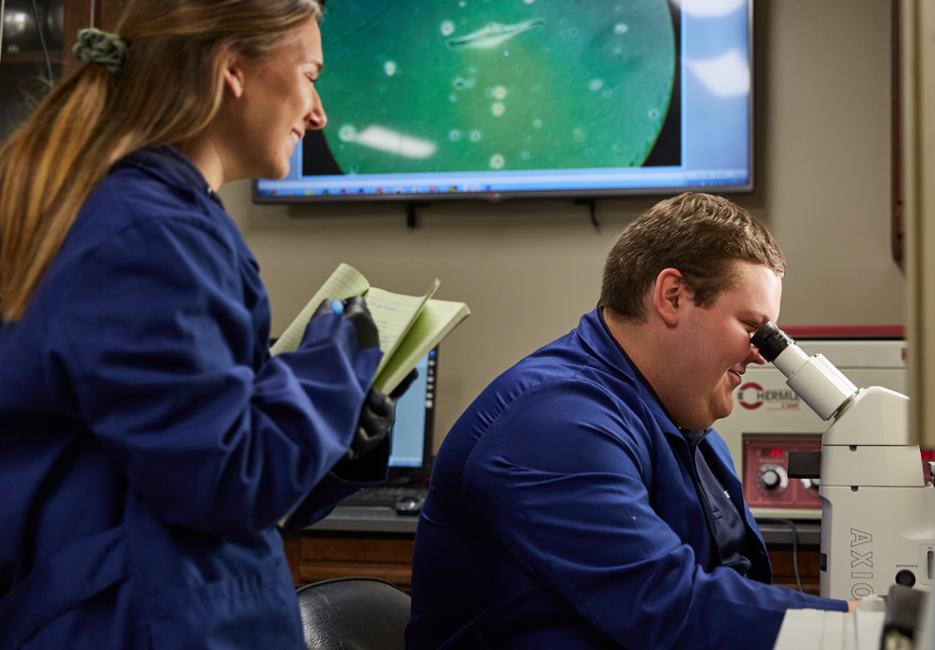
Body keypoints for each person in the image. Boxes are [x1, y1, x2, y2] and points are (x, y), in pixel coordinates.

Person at [0, 1, 409, 647]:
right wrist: (338, 358)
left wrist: (342, 443)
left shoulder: (167, 222)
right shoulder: (145, 236)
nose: (318, 111)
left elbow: (199, 479)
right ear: (233, 69)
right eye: (310, 73)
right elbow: (226, 481)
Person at [407, 192, 856, 648]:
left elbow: (736, 582)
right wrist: (863, 629)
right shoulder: (553, 420)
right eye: (752, 326)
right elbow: (663, 603)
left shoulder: (687, 430)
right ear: (673, 296)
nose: (761, 353)